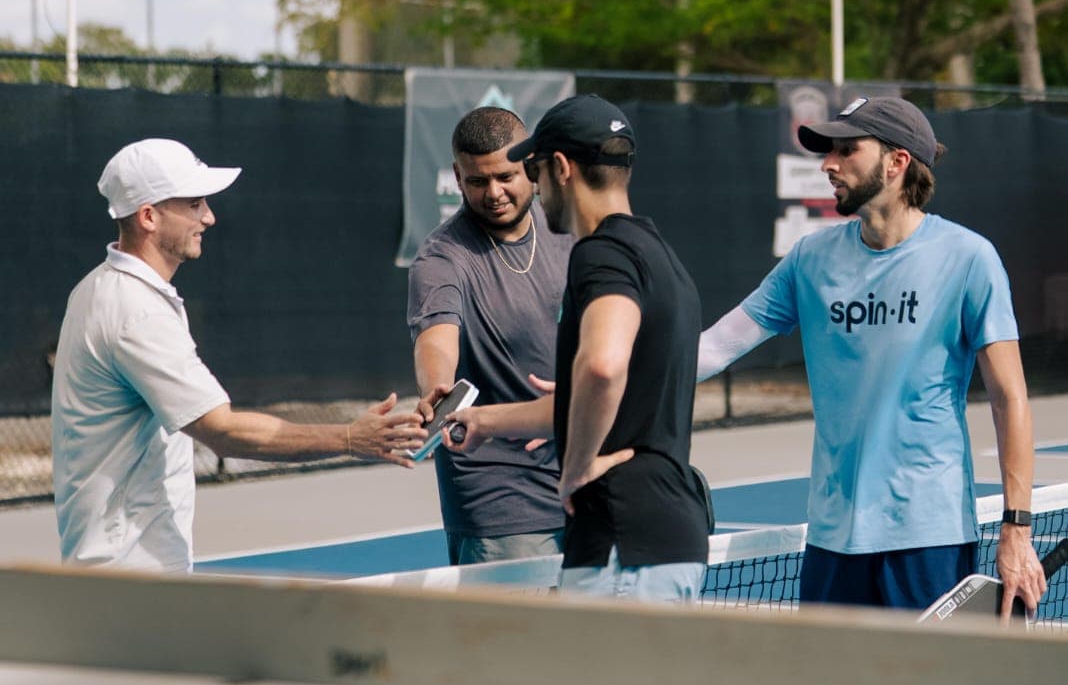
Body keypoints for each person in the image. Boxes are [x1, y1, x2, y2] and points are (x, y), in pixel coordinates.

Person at [695, 95, 1047, 617]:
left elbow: (1009, 397)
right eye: (828, 151)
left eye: (846, 150)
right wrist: (604, 383)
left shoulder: (969, 258)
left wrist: (1017, 530)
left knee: (924, 675)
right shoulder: (810, 260)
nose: (828, 164)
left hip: (929, 535)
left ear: (897, 161)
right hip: (832, 536)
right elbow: (715, 347)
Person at [52, 137, 425, 571]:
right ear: (148, 216)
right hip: (130, 574)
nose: (208, 217)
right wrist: (349, 438)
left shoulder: (98, 288)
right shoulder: (136, 312)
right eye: (194, 204)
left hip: (123, 569)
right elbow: (222, 429)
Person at [443, 95, 709, 602]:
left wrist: (576, 470)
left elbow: (603, 368)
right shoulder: (659, 256)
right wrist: (484, 421)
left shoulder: (601, 254)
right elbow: (601, 397)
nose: (536, 188)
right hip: (670, 540)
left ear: (561, 168)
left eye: (534, 171)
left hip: (620, 544)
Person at [407, 107, 569, 565]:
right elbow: (436, 337)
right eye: (478, 181)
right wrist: (437, 387)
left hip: (585, 478)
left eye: (505, 177)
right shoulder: (441, 258)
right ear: (458, 177)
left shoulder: (567, 230)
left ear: (531, 167)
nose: (493, 193)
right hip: (502, 500)